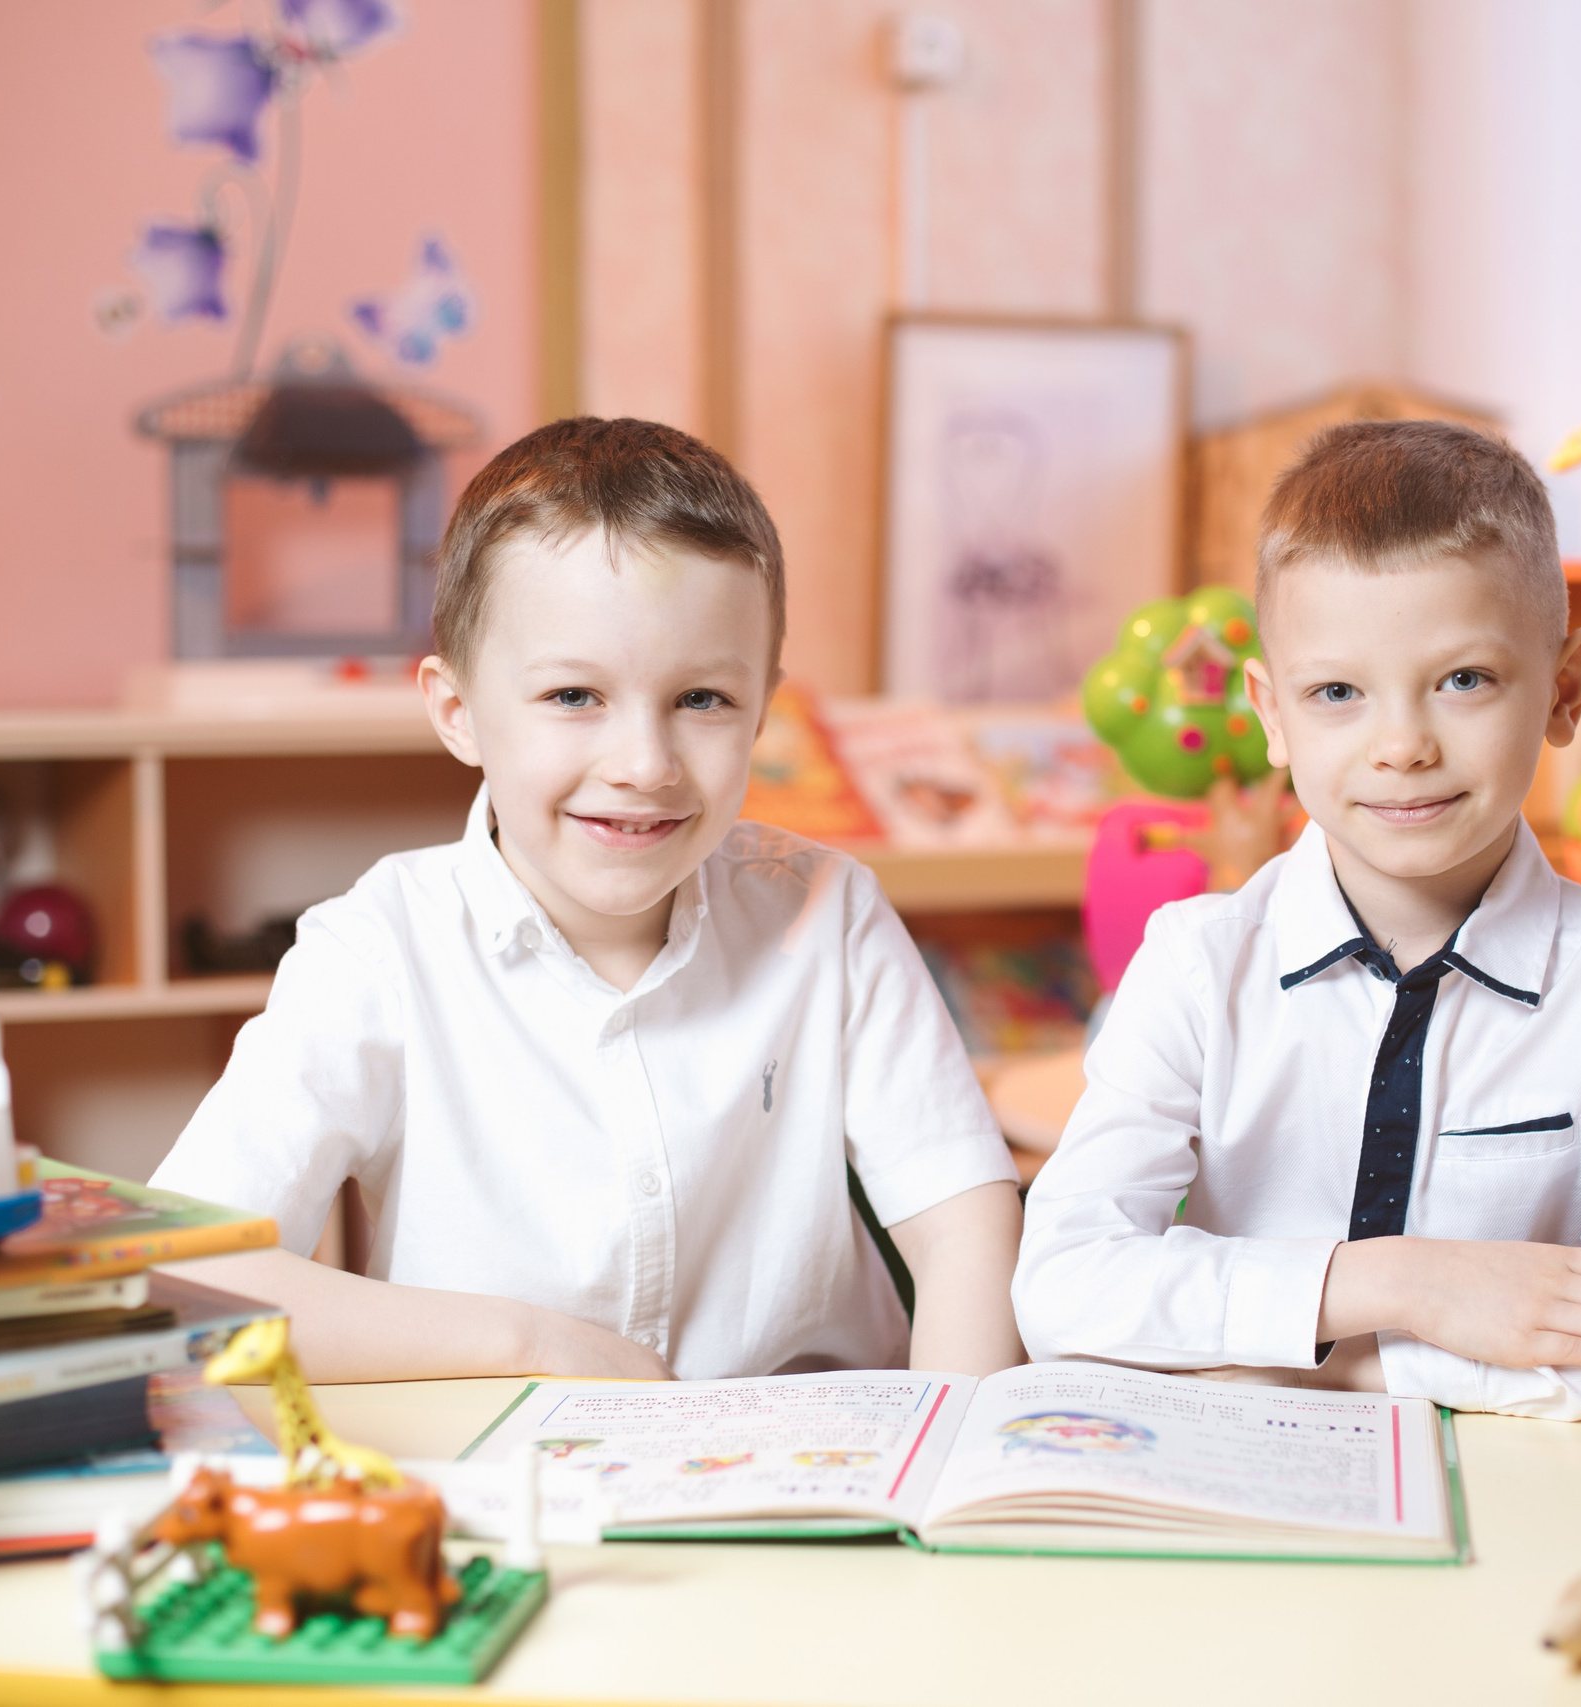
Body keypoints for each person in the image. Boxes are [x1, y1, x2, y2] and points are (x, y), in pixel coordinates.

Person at [157, 418, 1026, 1383]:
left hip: (808, 1484)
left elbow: (967, 1228)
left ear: (761, 710)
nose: (644, 766)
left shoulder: (830, 911)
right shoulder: (376, 950)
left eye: (703, 700)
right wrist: (525, 1343)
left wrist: (952, 1464)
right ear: (458, 712)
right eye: (574, 696)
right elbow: (186, 1273)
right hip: (510, 1481)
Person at [1012, 420, 1581, 1421]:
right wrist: (1408, 1285)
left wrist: (1328, 1367)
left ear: (1564, 690)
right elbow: (1060, 1291)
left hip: (1518, 1523)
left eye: (1463, 681)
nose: (1400, 745)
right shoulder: (1196, 962)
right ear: (1271, 712)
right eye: (1337, 692)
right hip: (1249, 1509)